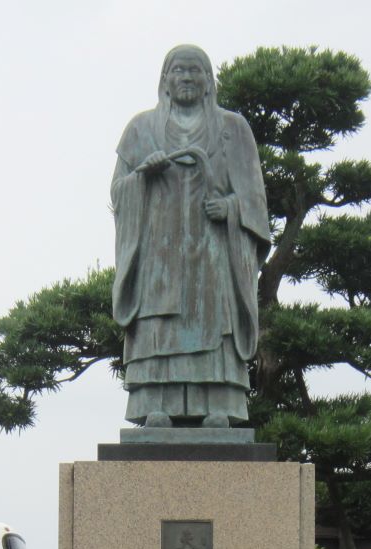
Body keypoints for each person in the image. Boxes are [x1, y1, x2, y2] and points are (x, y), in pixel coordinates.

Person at [111, 45, 272, 428]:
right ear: (165, 80)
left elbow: (254, 200)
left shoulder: (233, 129)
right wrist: (141, 179)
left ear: (208, 81)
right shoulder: (141, 128)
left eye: (195, 70)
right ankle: (155, 406)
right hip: (158, 255)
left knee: (216, 325)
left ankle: (220, 405)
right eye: (178, 70)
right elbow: (117, 191)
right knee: (159, 326)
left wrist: (231, 209)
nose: (186, 77)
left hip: (213, 252)